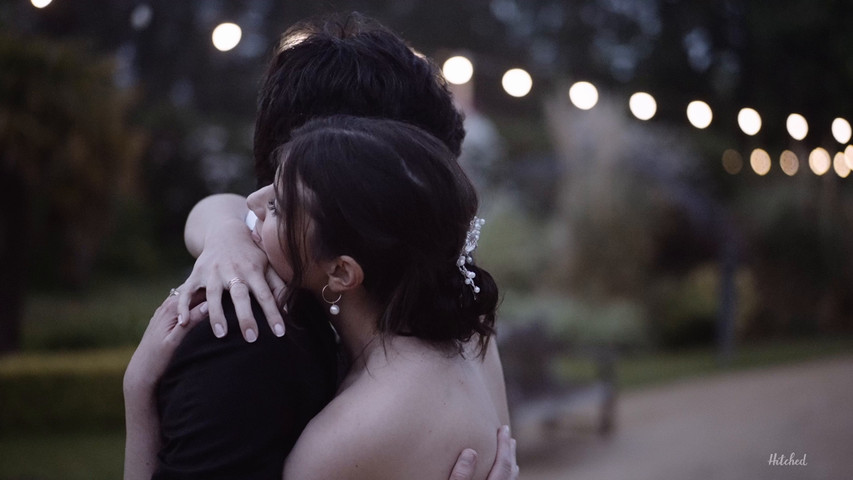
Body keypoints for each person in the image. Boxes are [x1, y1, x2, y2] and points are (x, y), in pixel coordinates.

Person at [126, 12, 518, 480]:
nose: (255, 204)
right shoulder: (253, 332)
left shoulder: (339, 397)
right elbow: (225, 208)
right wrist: (223, 234)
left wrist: (138, 406)